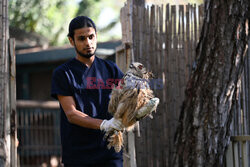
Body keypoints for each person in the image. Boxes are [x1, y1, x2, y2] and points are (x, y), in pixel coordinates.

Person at [51, 16, 124, 167]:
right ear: (72, 41)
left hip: (110, 153)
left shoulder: (111, 69)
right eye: (82, 38)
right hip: (78, 155)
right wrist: (104, 124)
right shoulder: (63, 73)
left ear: (96, 36)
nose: (88, 43)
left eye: (91, 37)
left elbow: (127, 99)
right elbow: (71, 114)